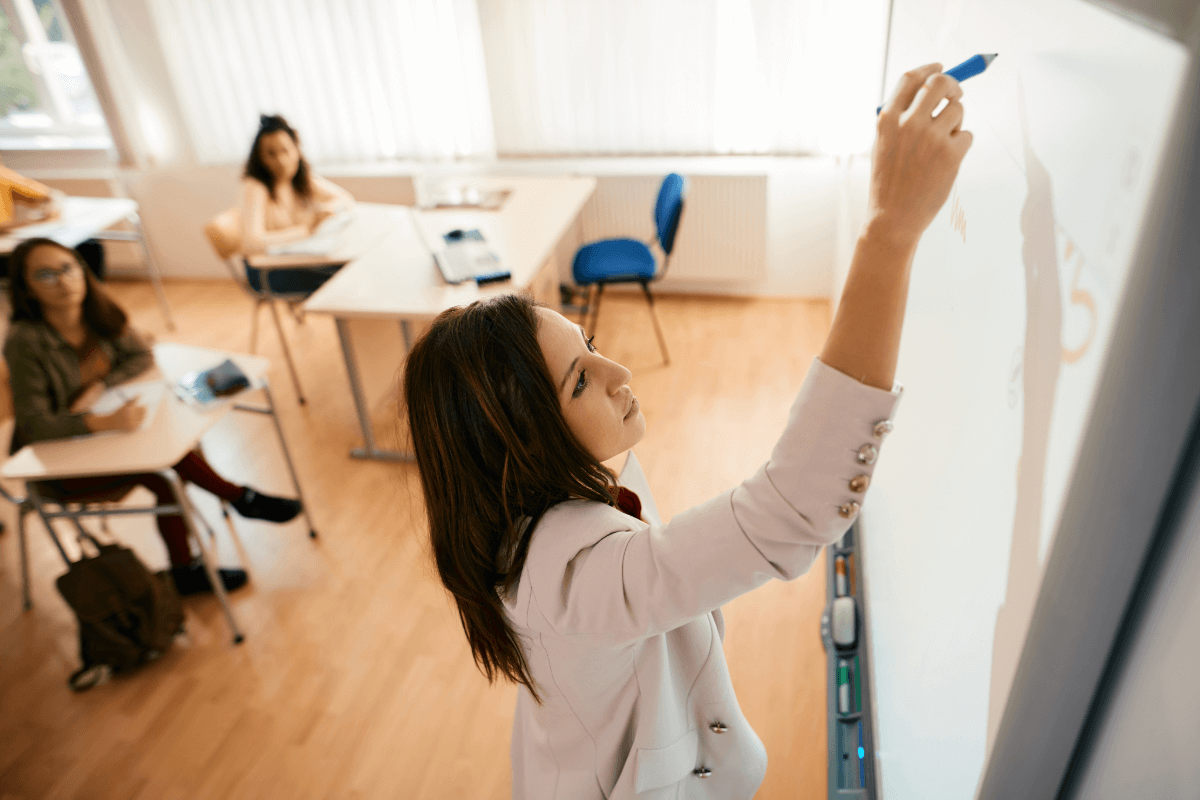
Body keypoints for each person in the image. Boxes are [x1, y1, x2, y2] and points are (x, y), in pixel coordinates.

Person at [402, 64, 972, 799]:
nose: (618, 370)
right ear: (520, 441)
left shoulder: (535, 504)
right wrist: (890, 233)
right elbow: (792, 509)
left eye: (588, 345)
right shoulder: (576, 580)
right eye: (580, 379)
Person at [3, 237, 305, 595]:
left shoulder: (97, 311)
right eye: (45, 274)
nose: (63, 280)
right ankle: (236, 505)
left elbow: (140, 356)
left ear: (82, 271)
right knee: (166, 475)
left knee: (171, 458)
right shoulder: (25, 342)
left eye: (68, 268)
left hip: (107, 439)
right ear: (27, 289)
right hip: (60, 463)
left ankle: (222, 523)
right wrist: (101, 422)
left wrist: (101, 387)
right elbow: (36, 425)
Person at [239, 114, 355, 294]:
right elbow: (252, 243)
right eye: (271, 154)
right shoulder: (256, 187)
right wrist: (305, 229)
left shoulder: (299, 179)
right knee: (345, 276)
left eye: (285, 150)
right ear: (260, 158)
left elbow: (345, 199)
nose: (281, 160)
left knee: (350, 267)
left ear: (296, 150)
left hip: (295, 258)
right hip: (266, 271)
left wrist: (324, 211)